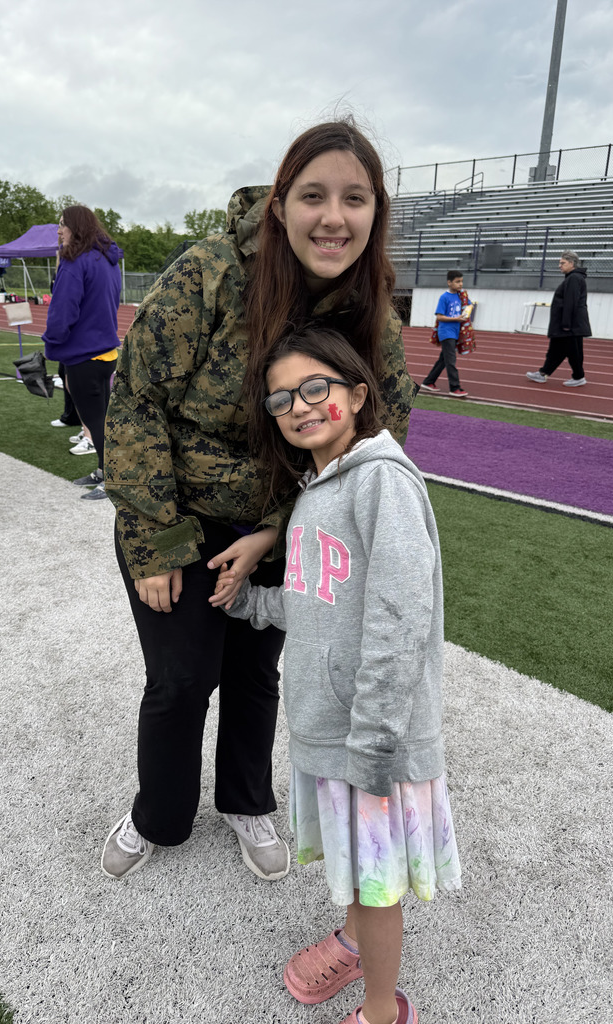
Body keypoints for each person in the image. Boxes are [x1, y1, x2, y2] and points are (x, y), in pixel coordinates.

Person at [101, 118, 418, 884]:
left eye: (354, 198)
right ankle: (158, 814)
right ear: (281, 205)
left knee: (256, 673)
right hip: (181, 514)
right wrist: (156, 540)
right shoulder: (211, 274)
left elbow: (386, 419)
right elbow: (136, 398)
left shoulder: (370, 309)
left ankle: (247, 801)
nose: (333, 217)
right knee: (182, 678)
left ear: (375, 212)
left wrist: (279, 532)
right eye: (313, 195)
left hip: (287, 524)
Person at [211, 328, 461, 1024]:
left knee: (378, 884)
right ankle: (354, 938)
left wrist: (377, 739)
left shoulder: (382, 481)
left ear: (356, 395)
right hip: (334, 728)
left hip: (370, 739)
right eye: (283, 397)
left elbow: (399, 614)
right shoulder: (315, 490)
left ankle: (384, 1009)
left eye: (315, 388)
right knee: (360, 870)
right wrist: (251, 602)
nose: (299, 406)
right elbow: (318, 593)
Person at [42, 205, 121, 500]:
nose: (59, 230)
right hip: (106, 353)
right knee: (103, 418)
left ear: (76, 227)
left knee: (96, 422)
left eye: (62, 225)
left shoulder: (75, 261)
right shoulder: (107, 259)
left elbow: (63, 312)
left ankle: (111, 480)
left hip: (83, 355)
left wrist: (52, 342)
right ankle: (103, 471)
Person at [526, 250, 591, 387]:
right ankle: (544, 373)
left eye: (562, 263)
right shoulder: (573, 278)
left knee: (571, 351)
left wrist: (566, 324)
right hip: (569, 324)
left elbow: (570, 302)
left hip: (569, 325)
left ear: (572, 263)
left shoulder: (574, 278)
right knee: (559, 350)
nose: (559, 266)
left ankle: (578, 376)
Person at [419, 270, 469, 397]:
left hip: (456, 332)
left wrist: (467, 310)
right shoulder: (444, 297)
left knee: (443, 360)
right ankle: (455, 387)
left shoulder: (461, 296)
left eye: (461, 281)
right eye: (457, 282)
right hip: (446, 332)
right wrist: (456, 319)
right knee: (451, 361)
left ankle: (428, 382)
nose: (460, 284)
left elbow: (469, 306)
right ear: (449, 282)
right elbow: (439, 317)